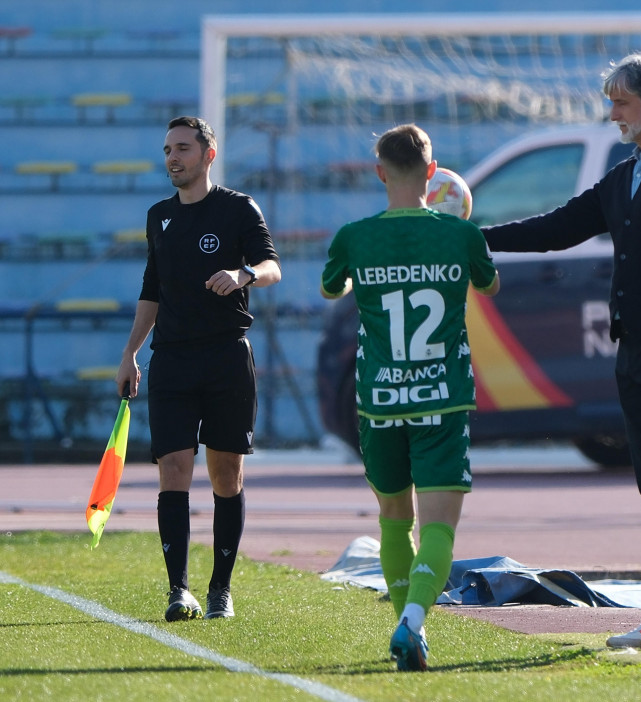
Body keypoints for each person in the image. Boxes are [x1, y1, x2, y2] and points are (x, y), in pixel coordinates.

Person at [481, 52, 641, 650]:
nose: (613, 112)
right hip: (635, 350)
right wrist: (472, 236)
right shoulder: (627, 173)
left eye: (622, 101)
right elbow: (560, 226)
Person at [320, 123, 500, 671]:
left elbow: (331, 288)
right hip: (442, 396)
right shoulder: (460, 234)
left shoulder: (354, 235)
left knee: (393, 521)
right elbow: (488, 285)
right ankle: (413, 623)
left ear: (379, 172)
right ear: (432, 171)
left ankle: (407, 637)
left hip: (379, 400)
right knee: (439, 526)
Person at [115, 115, 282, 622]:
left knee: (226, 476)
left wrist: (243, 274)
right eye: (167, 149)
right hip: (173, 361)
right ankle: (178, 591)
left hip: (227, 356)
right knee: (173, 472)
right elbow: (152, 291)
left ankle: (220, 591)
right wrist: (130, 353)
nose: (173, 157)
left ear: (208, 154)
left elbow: (274, 266)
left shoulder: (237, 209)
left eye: (183, 148)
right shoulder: (158, 216)